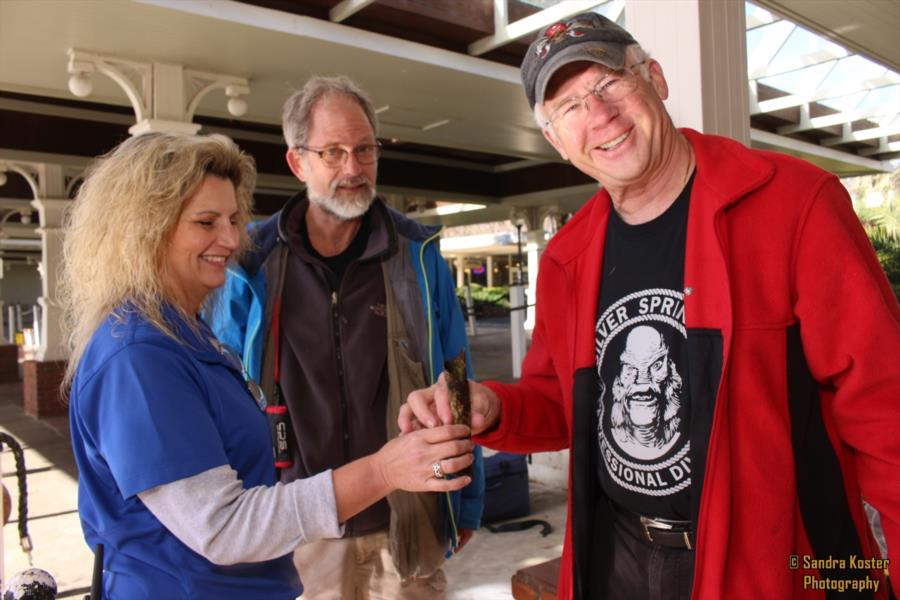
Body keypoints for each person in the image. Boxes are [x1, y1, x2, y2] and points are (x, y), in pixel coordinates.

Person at [401, 12, 899, 600]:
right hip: (619, 558)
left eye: (609, 83)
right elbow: (562, 405)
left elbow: (884, 408)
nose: (599, 115)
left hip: (783, 562)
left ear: (655, 79)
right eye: (569, 107)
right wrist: (490, 407)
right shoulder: (567, 258)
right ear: (557, 142)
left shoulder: (794, 204)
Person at [62, 132, 475, 600]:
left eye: (234, 219)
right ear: (145, 229)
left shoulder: (185, 335)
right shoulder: (137, 357)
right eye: (205, 222)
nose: (231, 238)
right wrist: (382, 471)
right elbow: (223, 527)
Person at [211, 75, 485, 599]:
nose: (353, 169)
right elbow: (228, 392)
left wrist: (464, 502)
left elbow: (454, 375)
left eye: (364, 150)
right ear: (298, 162)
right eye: (333, 152)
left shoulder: (418, 256)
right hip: (300, 526)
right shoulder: (252, 265)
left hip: (406, 518)